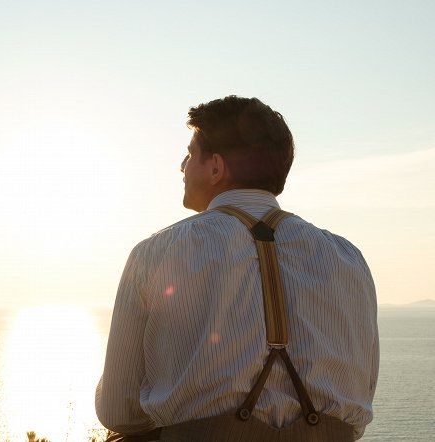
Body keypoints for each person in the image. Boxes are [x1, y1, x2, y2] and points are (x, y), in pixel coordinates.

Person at [95, 96, 379, 441]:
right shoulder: (348, 258)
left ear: (216, 167)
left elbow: (118, 411)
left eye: (189, 154)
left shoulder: (156, 252)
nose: (182, 166)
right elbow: (360, 404)